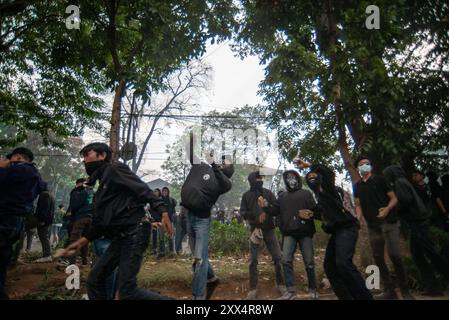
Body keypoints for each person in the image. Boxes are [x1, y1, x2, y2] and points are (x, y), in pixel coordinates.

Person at [60, 142, 173, 300]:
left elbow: (143, 189)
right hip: (122, 236)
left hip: (135, 232)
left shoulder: (115, 169)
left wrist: (163, 211)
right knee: (95, 280)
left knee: (127, 291)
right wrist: (82, 241)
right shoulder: (102, 188)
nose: (84, 160)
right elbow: (102, 222)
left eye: (87, 155)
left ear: (102, 156)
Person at [295, 159, 373, 300]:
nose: (312, 179)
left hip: (347, 228)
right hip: (337, 232)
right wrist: (311, 214)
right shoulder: (319, 196)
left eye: (314, 176)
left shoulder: (329, 188)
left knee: (343, 263)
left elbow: (327, 172)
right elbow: (326, 213)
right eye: (309, 178)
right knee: (330, 266)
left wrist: (308, 166)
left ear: (320, 178)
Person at [383, 165, 449, 296]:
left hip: (418, 222)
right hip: (417, 222)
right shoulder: (403, 181)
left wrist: (390, 209)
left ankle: (438, 284)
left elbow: (405, 201)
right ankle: (433, 287)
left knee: (431, 254)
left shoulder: (399, 182)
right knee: (419, 255)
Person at [180, 140, 234, 300]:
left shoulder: (224, 182)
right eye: (222, 159)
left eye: (227, 161)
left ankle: (198, 296)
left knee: (199, 259)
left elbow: (224, 181)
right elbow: (190, 154)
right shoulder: (202, 166)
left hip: (202, 221)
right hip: (188, 216)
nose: (224, 161)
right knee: (199, 257)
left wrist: (215, 164)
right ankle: (212, 279)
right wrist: (190, 140)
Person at [353, 156, 412, 300]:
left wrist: (387, 209)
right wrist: (358, 218)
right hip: (373, 226)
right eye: (362, 164)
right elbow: (358, 204)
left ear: (371, 166)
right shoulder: (357, 186)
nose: (365, 166)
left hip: (389, 222)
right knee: (378, 257)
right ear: (358, 169)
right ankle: (390, 290)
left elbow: (394, 198)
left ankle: (405, 291)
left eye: (367, 163)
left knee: (395, 255)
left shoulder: (381, 180)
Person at [259, 170, 318, 300]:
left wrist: (310, 214)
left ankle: (313, 289)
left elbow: (315, 211)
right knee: (285, 260)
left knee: (309, 262)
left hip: (305, 232)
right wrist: (266, 206)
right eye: (288, 178)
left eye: (293, 177)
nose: (291, 180)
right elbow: (275, 210)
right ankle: (290, 291)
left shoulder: (306, 194)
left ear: (298, 179)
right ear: (285, 181)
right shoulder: (282, 196)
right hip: (289, 233)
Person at [0, 147, 42, 300]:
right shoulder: (35, 175)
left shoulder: (18, 170)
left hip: (5, 218)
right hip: (17, 221)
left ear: (17, 158)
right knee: (3, 255)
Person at [240, 171, 285, 300]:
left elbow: (276, 209)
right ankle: (253, 288)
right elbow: (243, 212)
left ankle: (280, 284)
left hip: (269, 230)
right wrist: (255, 217)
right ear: (251, 179)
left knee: (278, 257)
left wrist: (267, 210)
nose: (259, 180)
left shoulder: (269, 193)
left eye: (261, 178)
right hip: (255, 230)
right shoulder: (246, 195)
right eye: (257, 177)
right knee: (253, 260)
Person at [67, 178, 93, 267]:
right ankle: (84, 262)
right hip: (91, 218)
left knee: (74, 239)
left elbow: (75, 205)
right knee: (85, 240)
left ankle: (72, 263)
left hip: (81, 217)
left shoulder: (83, 192)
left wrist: (72, 213)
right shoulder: (95, 193)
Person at [32, 181, 55, 262]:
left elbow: (44, 209)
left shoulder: (44, 195)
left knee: (43, 237)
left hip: (43, 220)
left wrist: (41, 220)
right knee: (44, 236)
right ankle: (47, 254)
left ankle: (47, 255)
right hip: (47, 220)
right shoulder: (50, 195)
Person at [161, 187, 177, 256]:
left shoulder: (171, 200)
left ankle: (171, 252)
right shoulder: (160, 200)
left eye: (166, 191)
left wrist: (173, 215)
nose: (165, 192)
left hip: (170, 220)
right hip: (162, 220)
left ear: (168, 192)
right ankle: (162, 252)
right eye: (163, 191)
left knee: (170, 235)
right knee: (162, 236)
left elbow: (174, 205)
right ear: (162, 192)